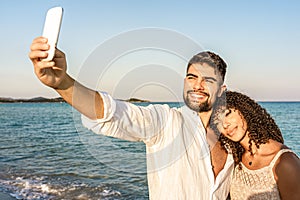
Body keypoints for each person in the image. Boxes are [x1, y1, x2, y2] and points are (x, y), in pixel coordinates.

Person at [29, 36, 234, 199]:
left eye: (208, 80)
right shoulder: (166, 122)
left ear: (221, 90)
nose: (198, 85)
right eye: (192, 77)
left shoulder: (233, 139)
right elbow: (113, 113)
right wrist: (62, 83)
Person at [211, 90, 300, 200]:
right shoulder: (235, 161)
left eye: (227, 114)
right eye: (217, 122)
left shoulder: (285, 162)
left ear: (243, 109)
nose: (225, 124)